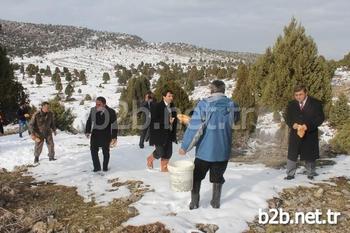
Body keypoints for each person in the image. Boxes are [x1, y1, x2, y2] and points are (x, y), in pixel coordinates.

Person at [179, 80, 239, 209]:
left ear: (212, 90)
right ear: (223, 90)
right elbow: (235, 120)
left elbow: (195, 128)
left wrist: (185, 147)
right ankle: (215, 202)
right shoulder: (232, 105)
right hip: (223, 150)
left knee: (196, 177)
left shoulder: (204, 105)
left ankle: (194, 203)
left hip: (205, 152)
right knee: (217, 177)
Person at [285, 84, 325, 180]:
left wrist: (307, 126)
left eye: (300, 94)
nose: (298, 97)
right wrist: (292, 124)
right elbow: (287, 117)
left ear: (306, 93)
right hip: (295, 134)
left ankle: (311, 173)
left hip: (310, 133)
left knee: (310, 154)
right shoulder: (291, 104)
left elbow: (320, 118)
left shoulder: (316, 103)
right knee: (292, 154)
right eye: (296, 95)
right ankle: (290, 174)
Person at [147, 90, 177, 172]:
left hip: (169, 133)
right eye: (169, 96)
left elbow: (174, 119)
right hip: (159, 134)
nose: (171, 98)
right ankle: (150, 159)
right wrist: (167, 121)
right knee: (160, 152)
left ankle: (164, 169)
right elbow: (154, 121)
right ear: (164, 97)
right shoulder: (157, 106)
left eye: (172, 96)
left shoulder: (172, 106)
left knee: (168, 153)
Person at [85, 96, 118, 172]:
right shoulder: (93, 110)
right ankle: (97, 167)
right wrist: (87, 131)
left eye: (99, 104)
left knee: (105, 151)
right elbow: (89, 121)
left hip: (106, 135)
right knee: (93, 150)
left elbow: (114, 125)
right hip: (95, 134)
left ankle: (105, 167)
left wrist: (114, 137)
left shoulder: (111, 112)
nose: (96, 106)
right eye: (96, 104)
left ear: (104, 104)